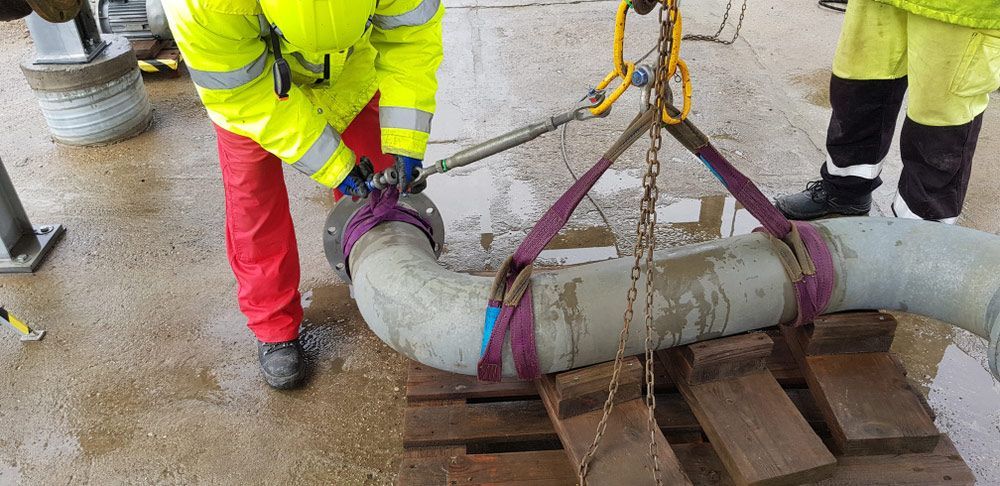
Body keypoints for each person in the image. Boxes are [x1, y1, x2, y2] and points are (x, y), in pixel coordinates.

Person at [162, 0, 444, 389]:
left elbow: (410, 39)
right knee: (254, 201)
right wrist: (336, 166)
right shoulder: (205, 7)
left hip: (351, 73)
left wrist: (405, 139)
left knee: (380, 198)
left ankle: (383, 278)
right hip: (249, 86)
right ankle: (273, 325)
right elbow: (245, 98)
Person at [775, 0, 999, 224]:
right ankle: (844, 192)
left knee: (939, 120)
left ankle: (922, 229)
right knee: (858, 85)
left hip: (958, 9)